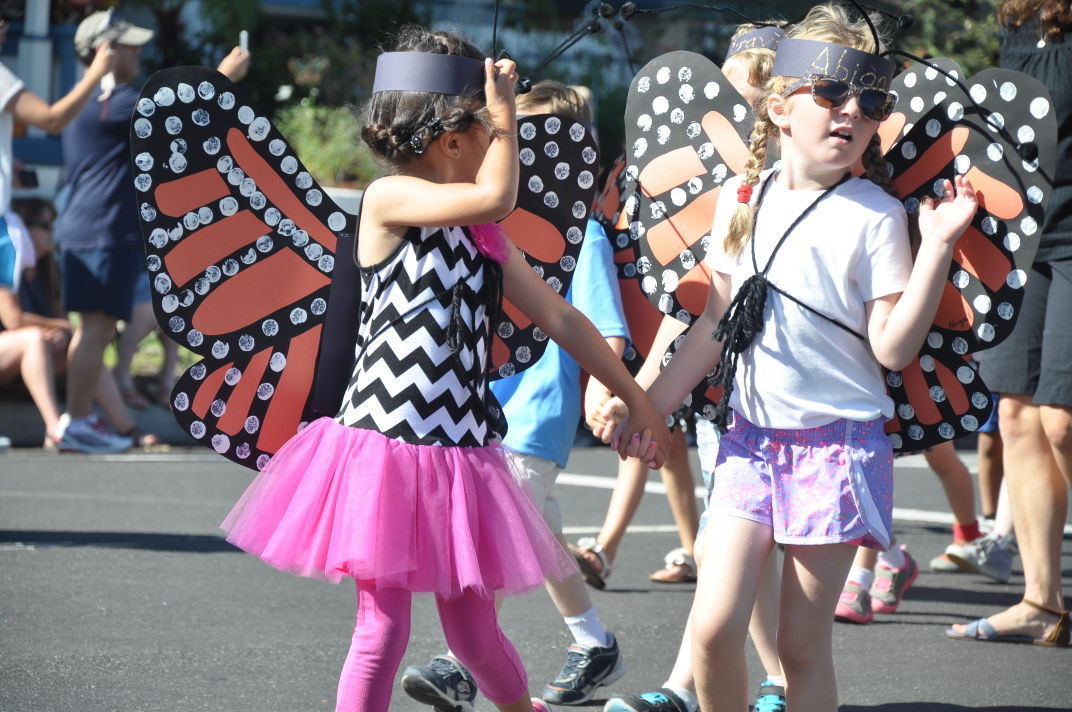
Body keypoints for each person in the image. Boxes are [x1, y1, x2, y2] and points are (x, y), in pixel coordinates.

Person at [219, 27, 671, 712]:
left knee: (475, 632)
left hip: (460, 451)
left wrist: (635, 395)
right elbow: (496, 196)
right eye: (486, 133)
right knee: (383, 629)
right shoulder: (388, 201)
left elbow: (562, 318)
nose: (497, 143)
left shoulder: (483, 235)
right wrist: (508, 113)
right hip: (385, 449)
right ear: (449, 140)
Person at [613, 4, 978, 709]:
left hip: (836, 450)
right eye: (832, 95)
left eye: (871, 103)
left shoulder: (875, 214)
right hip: (749, 443)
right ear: (779, 108)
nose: (852, 113)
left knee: (800, 646)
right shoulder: (741, 198)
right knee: (715, 629)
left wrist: (935, 248)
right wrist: (647, 405)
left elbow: (892, 348)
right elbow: (712, 325)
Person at [398, 79, 631, 709]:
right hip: (481, 413)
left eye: (524, 141)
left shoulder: (579, 232)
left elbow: (602, 324)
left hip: (537, 411)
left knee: (488, 536)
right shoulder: (481, 223)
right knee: (540, 536)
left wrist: (606, 393)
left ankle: (459, 661)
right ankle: (593, 640)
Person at [601, 21, 788, 712]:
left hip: (794, 405)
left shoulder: (810, 195)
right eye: (724, 104)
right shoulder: (729, 204)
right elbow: (697, 307)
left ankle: (774, 681)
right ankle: (704, 686)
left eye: (745, 104)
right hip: (726, 399)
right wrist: (641, 393)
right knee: (729, 544)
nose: (730, 124)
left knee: (748, 554)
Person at [53, 10, 249, 453]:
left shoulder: (89, 98)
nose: (138, 52)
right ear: (104, 50)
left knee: (93, 332)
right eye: (129, 45)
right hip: (102, 229)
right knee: (95, 333)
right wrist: (222, 77)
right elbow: (176, 113)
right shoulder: (111, 101)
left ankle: (79, 421)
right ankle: (78, 422)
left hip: (93, 227)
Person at [947, 0, 1071, 648]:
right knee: (1018, 415)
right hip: (1025, 236)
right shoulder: (1016, 22)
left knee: (1062, 419)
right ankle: (1041, 602)